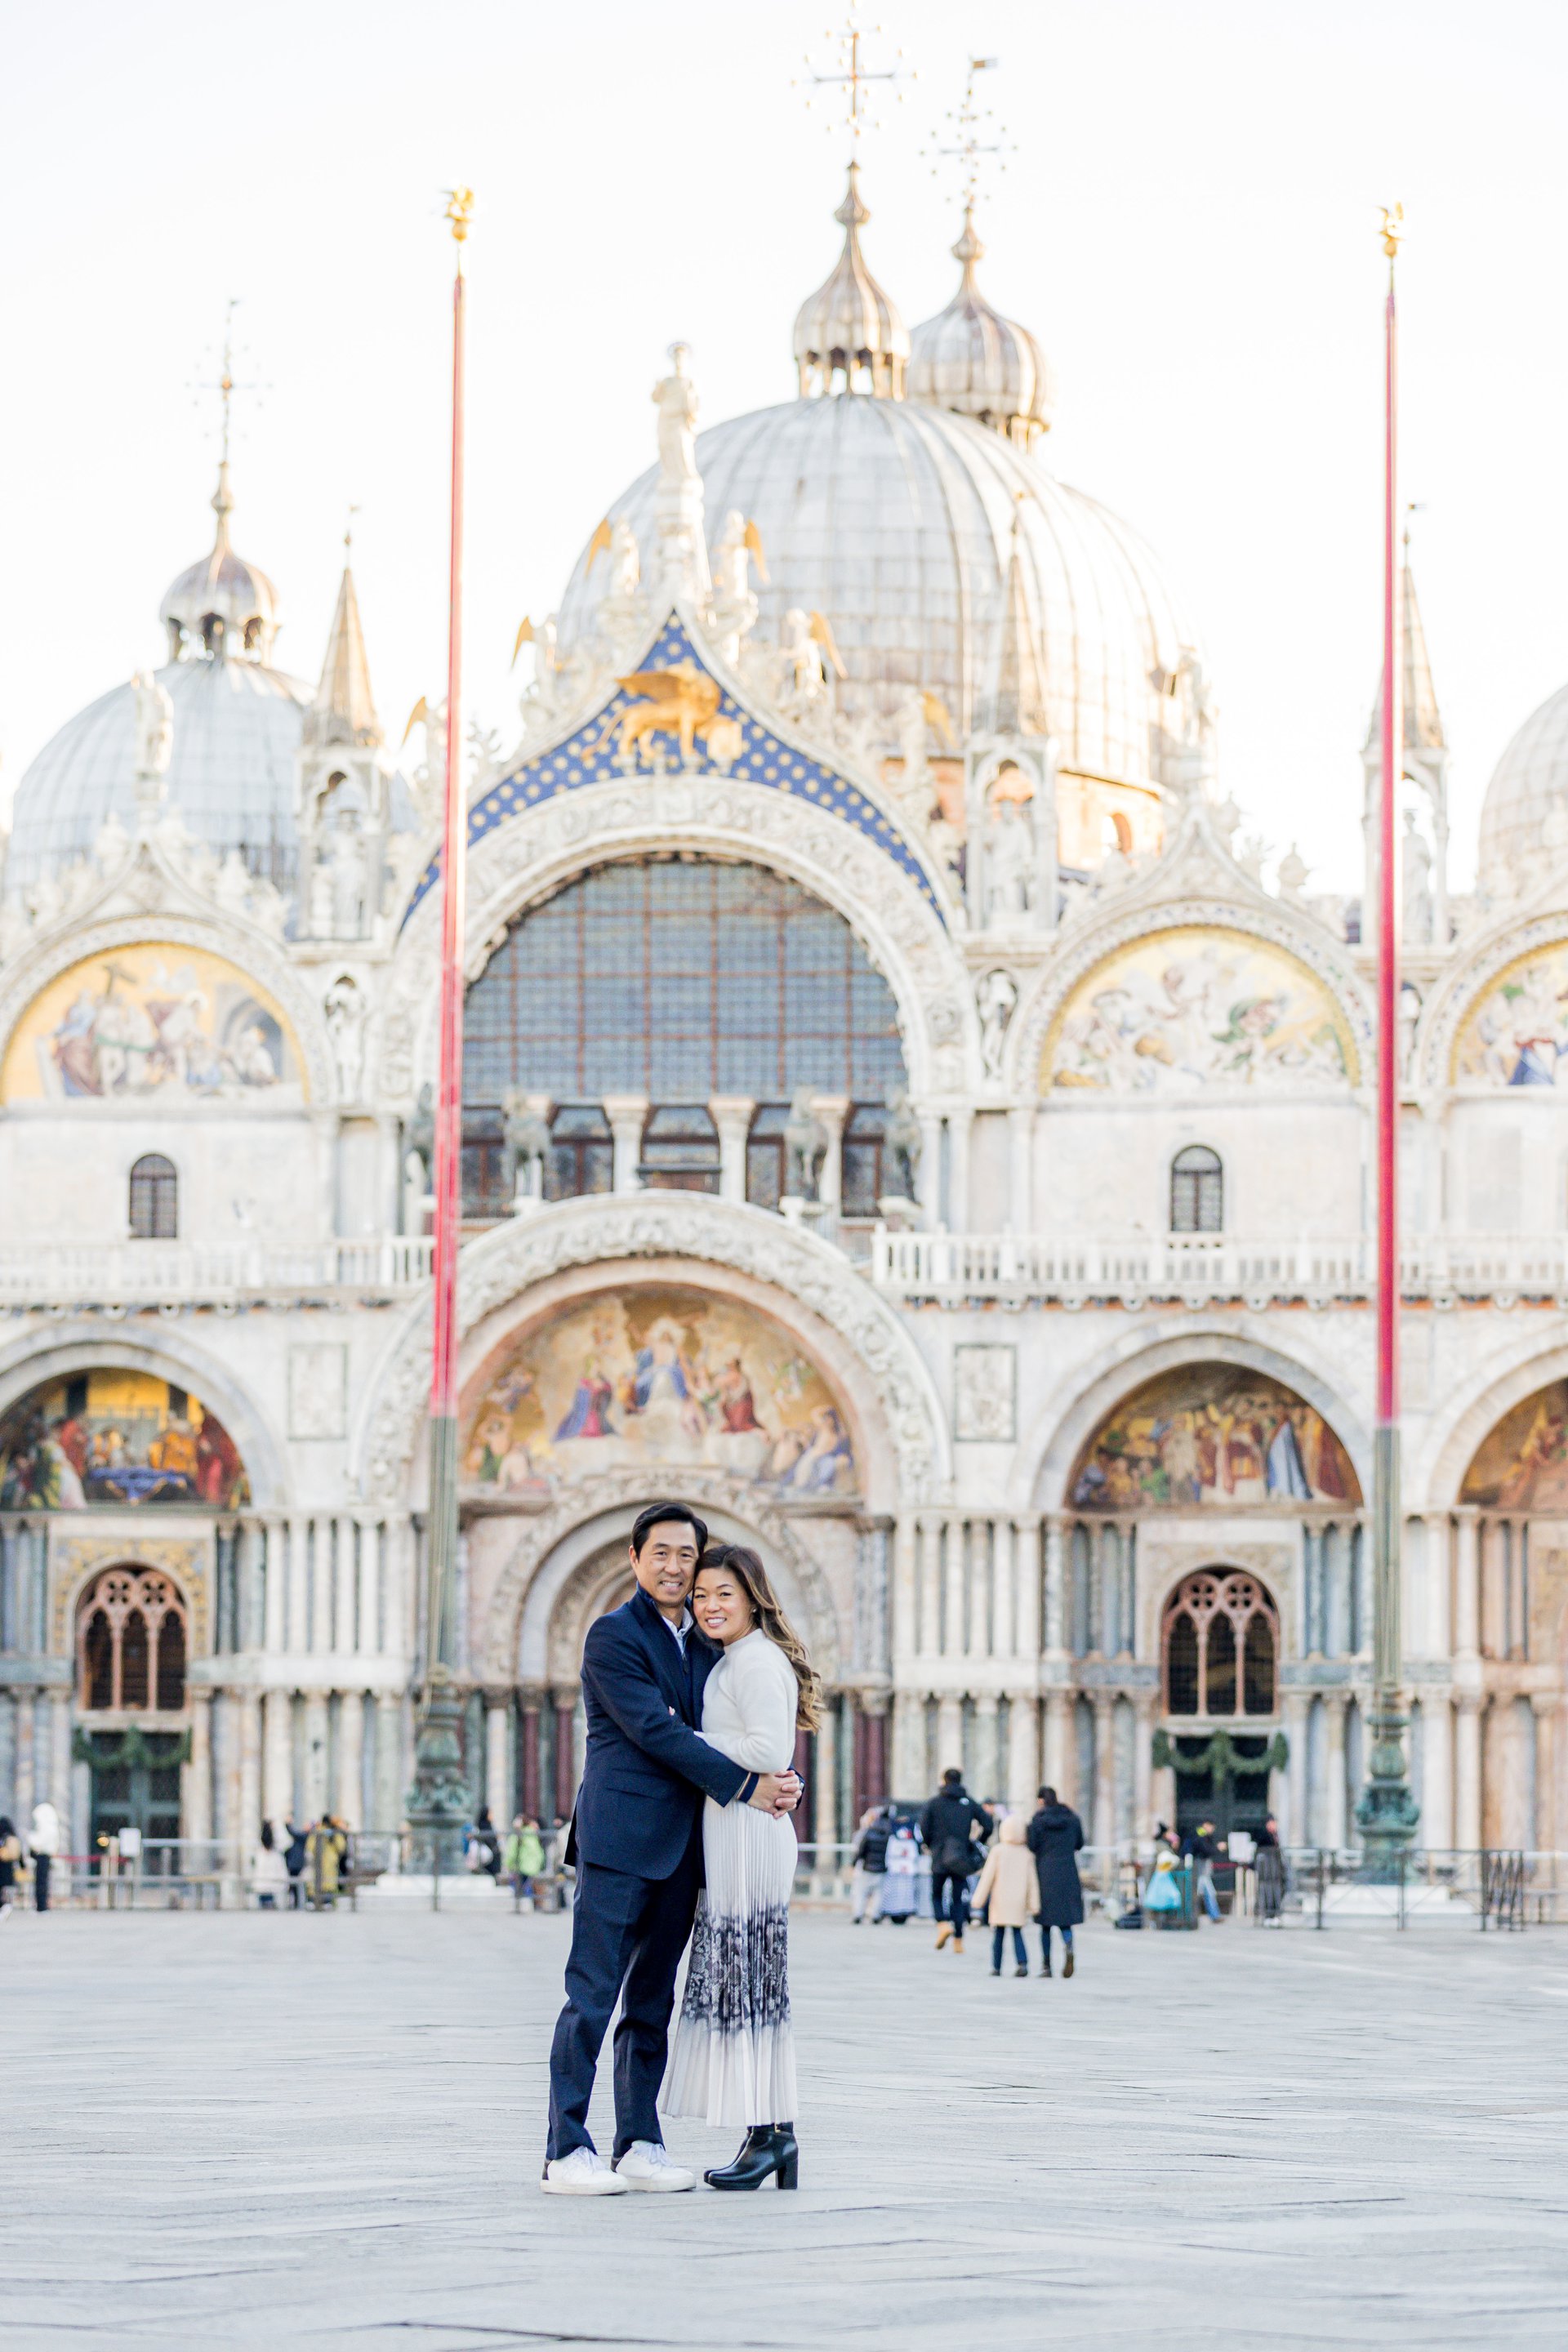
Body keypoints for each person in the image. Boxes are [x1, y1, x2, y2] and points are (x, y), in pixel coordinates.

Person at [542, 1503, 800, 2197]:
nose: (675, 1567)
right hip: (621, 1842)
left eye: (687, 1555)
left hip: (685, 1847)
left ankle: (639, 2143)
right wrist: (748, 1784)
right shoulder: (612, 1636)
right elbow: (655, 1732)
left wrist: (780, 1779)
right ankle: (566, 2149)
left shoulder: (708, 1643)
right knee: (591, 1998)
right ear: (634, 1558)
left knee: (651, 2002)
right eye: (660, 1553)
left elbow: (745, 1725)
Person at [663, 1541, 817, 2191]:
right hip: (738, 1830)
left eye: (724, 1593)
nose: (709, 1605)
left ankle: (769, 2136)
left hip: (751, 1834)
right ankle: (773, 2135)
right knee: (753, 1985)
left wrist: (687, 1740)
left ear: (753, 1598)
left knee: (751, 1982)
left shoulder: (756, 1661)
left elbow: (767, 1749)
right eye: (700, 1595)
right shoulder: (737, 1659)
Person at [920, 1767, 991, 1953]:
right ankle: (958, 1941)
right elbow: (988, 1824)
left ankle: (943, 1925)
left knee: (936, 1894)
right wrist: (976, 1842)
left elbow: (923, 1828)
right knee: (957, 1899)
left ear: (944, 1780)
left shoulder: (934, 1803)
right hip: (960, 1857)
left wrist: (931, 1844)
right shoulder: (968, 1803)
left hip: (939, 1855)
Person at [1027, 1784, 1085, 1979]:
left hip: (1045, 1872)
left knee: (1045, 1923)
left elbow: (1032, 1845)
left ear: (1041, 1800)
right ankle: (1069, 1945)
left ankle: (1046, 1966)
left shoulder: (1038, 1820)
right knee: (1065, 1919)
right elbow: (1079, 1843)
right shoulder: (1072, 1818)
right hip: (1068, 1871)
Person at [972, 1816, 1040, 1977]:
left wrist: (978, 1900)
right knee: (1017, 1932)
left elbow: (987, 1878)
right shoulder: (1027, 1854)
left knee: (998, 1934)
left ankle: (996, 1967)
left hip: (1000, 1900)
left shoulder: (998, 1851)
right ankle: (1022, 1963)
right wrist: (1034, 1905)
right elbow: (1033, 1882)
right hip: (1018, 1901)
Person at [849, 1804, 891, 1924]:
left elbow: (861, 1852)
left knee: (861, 1893)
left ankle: (858, 1914)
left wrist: (854, 1864)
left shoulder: (868, 1834)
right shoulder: (887, 1834)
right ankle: (875, 1915)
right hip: (881, 1868)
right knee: (879, 1894)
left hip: (867, 1867)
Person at [878, 1815, 920, 1922]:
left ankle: (902, 1911)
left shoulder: (896, 1828)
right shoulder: (892, 1827)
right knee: (895, 1890)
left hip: (902, 1865)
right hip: (897, 1866)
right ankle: (893, 1911)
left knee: (905, 1890)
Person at [1182, 1820, 1223, 1922]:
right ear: (1206, 1825)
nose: (1212, 1830)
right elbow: (1205, 1849)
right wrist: (1217, 1848)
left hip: (1200, 1869)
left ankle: (1213, 1915)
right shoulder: (1200, 1834)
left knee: (1205, 1892)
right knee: (1204, 1892)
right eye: (1211, 1827)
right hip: (1199, 1868)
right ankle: (1212, 1915)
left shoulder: (1201, 1834)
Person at [505, 1813, 546, 1906]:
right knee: (528, 1888)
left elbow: (511, 1852)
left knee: (519, 1889)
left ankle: (520, 1906)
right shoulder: (532, 1833)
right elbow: (539, 1851)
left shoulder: (517, 1835)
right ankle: (531, 1905)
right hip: (533, 1867)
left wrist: (508, 1865)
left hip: (522, 1866)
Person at [29, 1799, 60, 1912]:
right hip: (42, 1856)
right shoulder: (49, 1827)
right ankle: (40, 1905)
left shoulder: (48, 1829)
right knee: (41, 1882)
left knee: (42, 1882)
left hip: (43, 1856)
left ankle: (42, 1906)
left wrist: (30, 1838)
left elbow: (38, 1842)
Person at [1254, 1813, 1285, 1924]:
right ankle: (1268, 1915)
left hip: (1276, 1870)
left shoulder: (1275, 1834)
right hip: (1267, 1870)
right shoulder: (1264, 1835)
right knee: (1268, 1892)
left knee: (1278, 1890)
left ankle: (1275, 1914)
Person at [252, 1821, 288, 1910]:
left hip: (262, 1885)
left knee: (263, 1907)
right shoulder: (276, 1853)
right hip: (273, 1886)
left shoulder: (259, 1853)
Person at [283, 1819, 309, 1909]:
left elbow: (293, 1833)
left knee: (294, 1883)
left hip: (296, 1864)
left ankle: (295, 1903)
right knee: (293, 1883)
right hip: (295, 1863)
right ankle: (294, 1902)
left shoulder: (304, 1835)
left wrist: (288, 1824)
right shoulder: (304, 1836)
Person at [0, 1815, 20, 1913]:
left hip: (2, 1867)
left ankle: (3, 1905)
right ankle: (7, 1905)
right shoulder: (13, 1838)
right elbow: (19, 1855)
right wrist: (23, 1867)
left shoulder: (2, 1838)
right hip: (10, 1869)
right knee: (7, 1889)